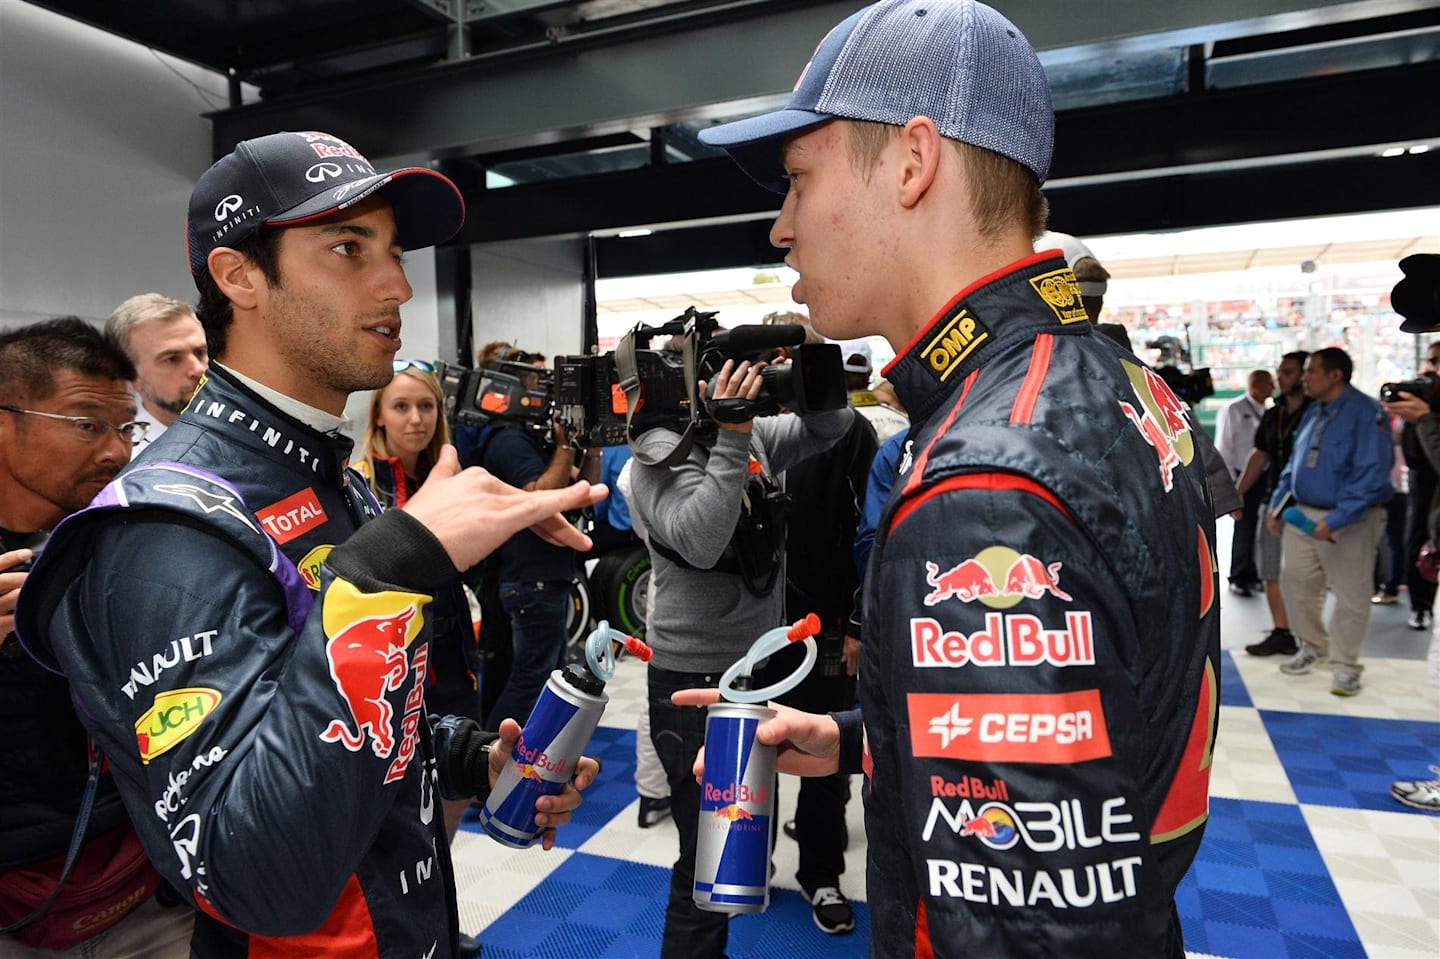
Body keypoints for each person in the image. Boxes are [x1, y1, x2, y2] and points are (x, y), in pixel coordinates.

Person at [687, 2, 1221, 955]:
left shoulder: (983, 475)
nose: (780, 227)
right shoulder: (1112, 382)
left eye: (798, 180)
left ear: (911, 162)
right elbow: (1096, 731)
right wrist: (874, 739)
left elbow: (1024, 923)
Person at [14, 131, 604, 959]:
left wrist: (467, 756)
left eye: (392, 251)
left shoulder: (328, 470)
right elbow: (255, 872)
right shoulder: (161, 529)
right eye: (347, 248)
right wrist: (393, 562)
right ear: (239, 275)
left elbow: (335, 724)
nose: (397, 284)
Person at [628, 327, 853, 955]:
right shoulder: (655, 454)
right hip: (695, 679)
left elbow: (831, 425)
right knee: (707, 859)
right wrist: (730, 436)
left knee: (740, 839)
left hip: (762, 671)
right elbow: (699, 540)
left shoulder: (751, 434)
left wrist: (806, 354)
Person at [0, 318, 193, 957]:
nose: (115, 451)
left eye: (125, 427)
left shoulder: (118, 535)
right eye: (87, 425)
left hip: (145, 884)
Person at [465, 345, 593, 731]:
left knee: (542, 675)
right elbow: (541, 498)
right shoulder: (508, 439)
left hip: (538, 576)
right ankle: (489, 756)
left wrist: (590, 445)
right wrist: (566, 445)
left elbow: (583, 490)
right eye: (536, 379)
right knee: (532, 678)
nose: (544, 388)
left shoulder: (526, 438)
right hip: (530, 578)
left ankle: (520, 760)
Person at [1265, 347, 1392, 696]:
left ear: (1335, 376)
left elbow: (1372, 474)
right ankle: (1312, 646)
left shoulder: (1366, 413)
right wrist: (1278, 505)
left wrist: (1337, 519)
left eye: (1312, 371)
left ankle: (1345, 665)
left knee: (1351, 594)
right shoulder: (1314, 412)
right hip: (1302, 513)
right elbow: (1294, 464)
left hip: (1350, 519)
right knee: (1297, 583)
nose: (1306, 378)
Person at [1236, 351, 1311, 655]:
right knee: (1270, 570)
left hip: (1307, 505)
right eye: (1280, 371)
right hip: (1273, 503)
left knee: (1304, 574)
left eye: (1288, 372)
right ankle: (1282, 631)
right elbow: (1260, 453)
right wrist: (1238, 493)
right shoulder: (1273, 413)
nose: (1281, 377)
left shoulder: (1318, 413)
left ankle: (1308, 636)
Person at [104, 293, 209, 453]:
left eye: (200, 352)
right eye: (172, 359)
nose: (198, 369)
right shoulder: (119, 461)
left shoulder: (249, 435)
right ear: (130, 376)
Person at [1216, 369, 1274, 596]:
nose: (1273, 387)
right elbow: (1224, 446)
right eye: (1269, 383)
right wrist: (1231, 482)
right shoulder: (1234, 409)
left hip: (1266, 475)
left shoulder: (1270, 411)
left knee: (1261, 527)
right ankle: (1238, 575)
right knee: (1244, 525)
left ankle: (1255, 573)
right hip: (1241, 475)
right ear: (1255, 385)